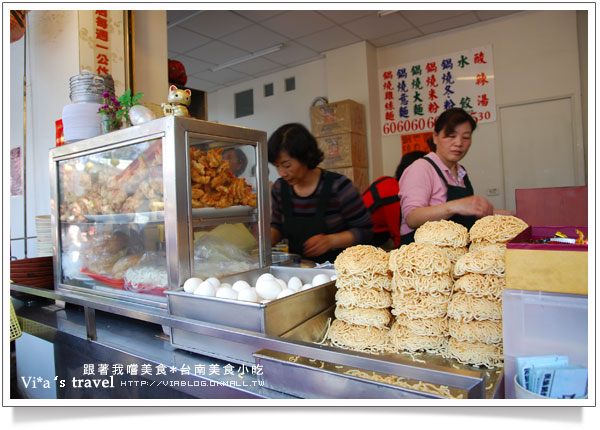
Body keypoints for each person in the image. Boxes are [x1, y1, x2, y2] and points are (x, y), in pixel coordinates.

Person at [398, 107, 508, 245]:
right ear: (435, 137)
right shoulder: (421, 168)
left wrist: (513, 215)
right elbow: (412, 218)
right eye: (451, 136)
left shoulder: (460, 171)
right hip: (423, 256)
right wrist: (455, 206)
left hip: (456, 251)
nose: (459, 143)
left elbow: (471, 210)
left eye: (466, 137)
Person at [268, 123, 373, 263]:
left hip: (339, 270)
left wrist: (332, 241)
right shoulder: (279, 189)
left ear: (306, 156)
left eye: (287, 165)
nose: (282, 173)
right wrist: (263, 240)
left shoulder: (339, 186)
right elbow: (277, 226)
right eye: (277, 166)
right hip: (298, 270)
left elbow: (366, 231)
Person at [362, 151, 427, 249]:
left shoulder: (388, 181)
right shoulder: (394, 193)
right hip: (361, 239)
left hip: (375, 236)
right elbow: (399, 238)